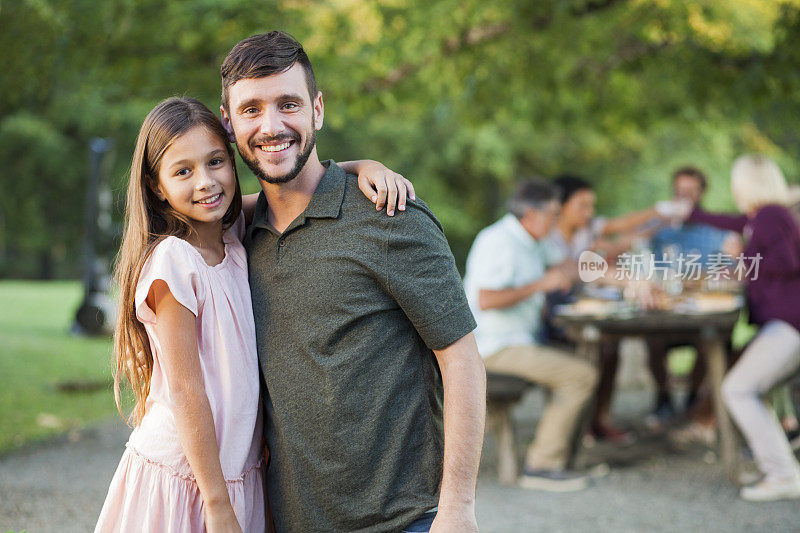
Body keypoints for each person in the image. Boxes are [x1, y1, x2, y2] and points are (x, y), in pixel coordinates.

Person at [95, 97, 413, 532]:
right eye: (183, 171)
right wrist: (216, 501)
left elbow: (303, 187)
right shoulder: (173, 262)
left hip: (236, 471)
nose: (206, 183)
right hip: (190, 477)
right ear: (156, 186)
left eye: (216, 162)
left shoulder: (236, 236)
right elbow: (188, 391)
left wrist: (366, 166)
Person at [219, 32, 486, 532]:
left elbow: (462, 358)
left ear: (317, 110)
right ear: (229, 123)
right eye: (251, 109)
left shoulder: (389, 215)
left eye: (289, 104)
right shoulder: (235, 234)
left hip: (406, 521)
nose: (271, 125)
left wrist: (458, 507)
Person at [464, 179, 598, 492]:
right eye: (553, 214)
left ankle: (557, 455)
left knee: (578, 357)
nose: (557, 222)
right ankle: (542, 465)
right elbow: (486, 299)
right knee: (580, 374)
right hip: (493, 345)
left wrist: (628, 280)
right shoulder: (497, 241)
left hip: (521, 339)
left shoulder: (535, 239)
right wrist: (541, 285)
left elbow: (570, 268)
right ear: (531, 215)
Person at [683, 154, 800, 501]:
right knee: (745, 388)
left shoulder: (770, 215)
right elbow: (729, 221)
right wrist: (690, 212)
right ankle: (782, 469)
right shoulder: (761, 216)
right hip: (783, 323)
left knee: (737, 389)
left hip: (790, 324)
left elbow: (787, 261)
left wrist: (742, 257)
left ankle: (782, 474)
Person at [646, 166, 731, 431]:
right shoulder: (660, 229)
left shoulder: (717, 229)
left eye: (690, 192)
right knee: (651, 339)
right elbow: (626, 245)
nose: (683, 198)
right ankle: (663, 397)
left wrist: (700, 279)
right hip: (664, 308)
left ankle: (694, 396)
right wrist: (658, 219)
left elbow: (729, 271)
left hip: (699, 308)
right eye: (678, 192)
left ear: (702, 193)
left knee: (710, 337)